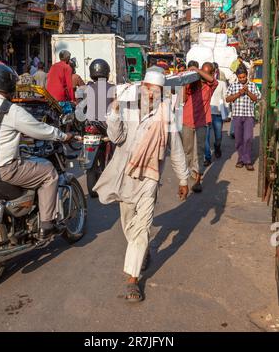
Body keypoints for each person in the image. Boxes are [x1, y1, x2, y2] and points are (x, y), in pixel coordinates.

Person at [93, 67, 189, 302]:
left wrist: (184, 178)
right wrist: (114, 111)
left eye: (156, 91)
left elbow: (175, 149)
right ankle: (141, 250)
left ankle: (132, 281)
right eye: (148, 89)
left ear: (161, 92)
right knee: (128, 224)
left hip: (149, 179)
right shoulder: (127, 109)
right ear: (142, 87)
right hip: (125, 176)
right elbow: (116, 139)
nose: (151, 94)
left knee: (141, 227)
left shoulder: (167, 116)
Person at [0, 64, 73, 239]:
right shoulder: (10, 110)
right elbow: (40, 129)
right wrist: (63, 136)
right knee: (49, 173)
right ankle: (47, 224)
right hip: (5, 170)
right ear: (8, 85)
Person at [182, 62, 218, 193]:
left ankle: (197, 179)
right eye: (201, 73)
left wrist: (196, 69)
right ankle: (190, 173)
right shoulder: (192, 84)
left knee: (200, 150)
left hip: (202, 123)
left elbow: (211, 80)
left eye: (205, 73)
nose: (202, 76)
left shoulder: (211, 86)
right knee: (187, 150)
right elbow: (183, 98)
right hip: (187, 120)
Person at [226, 65, 261, 171]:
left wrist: (247, 92)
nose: (242, 79)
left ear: (246, 76)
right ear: (237, 77)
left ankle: (247, 160)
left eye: (243, 77)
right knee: (238, 140)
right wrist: (238, 93)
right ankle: (240, 159)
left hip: (249, 116)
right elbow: (228, 99)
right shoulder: (233, 86)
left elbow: (256, 98)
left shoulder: (252, 85)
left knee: (248, 138)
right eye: (240, 77)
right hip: (237, 116)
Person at [75, 59, 115, 124]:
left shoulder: (86, 89)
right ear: (106, 72)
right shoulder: (114, 88)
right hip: (109, 126)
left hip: (91, 126)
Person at [204, 69, 229, 166]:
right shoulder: (204, 83)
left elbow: (225, 97)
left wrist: (227, 113)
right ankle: (207, 157)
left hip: (218, 112)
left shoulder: (221, 83)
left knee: (218, 136)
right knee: (206, 136)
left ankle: (217, 147)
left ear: (214, 72)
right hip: (206, 112)